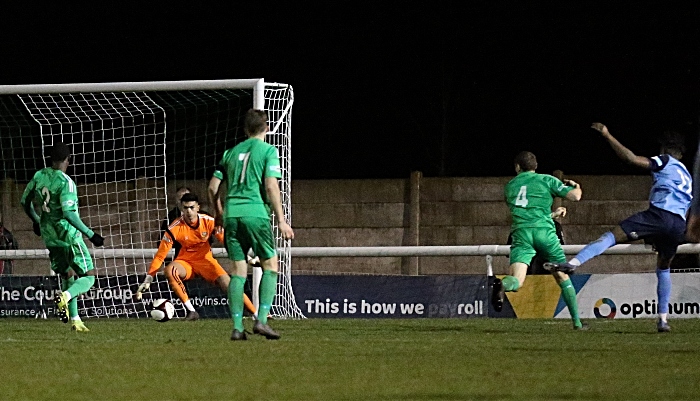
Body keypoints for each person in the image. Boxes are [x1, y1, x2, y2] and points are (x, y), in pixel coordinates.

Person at [544, 123, 692, 333]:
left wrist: (607, 135)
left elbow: (631, 159)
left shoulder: (666, 161)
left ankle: (573, 263)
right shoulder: (687, 174)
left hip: (658, 215)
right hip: (678, 223)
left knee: (611, 236)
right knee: (663, 267)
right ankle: (663, 319)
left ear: (665, 150)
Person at [208, 108, 294, 341]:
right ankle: (262, 321)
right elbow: (270, 187)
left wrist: (218, 213)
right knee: (270, 265)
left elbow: (213, 188)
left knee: (238, 273)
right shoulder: (268, 151)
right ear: (266, 128)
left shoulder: (230, 153)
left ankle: (237, 327)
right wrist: (282, 221)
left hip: (231, 216)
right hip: (256, 214)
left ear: (245, 129)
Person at [494, 151, 586, 330]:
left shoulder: (510, 186)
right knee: (562, 276)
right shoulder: (546, 180)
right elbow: (576, 196)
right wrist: (576, 186)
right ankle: (577, 323)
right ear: (535, 167)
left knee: (517, 280)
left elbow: (527, 212)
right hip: (545, 234)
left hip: (521, 234)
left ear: (517, 167)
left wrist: (551, 214)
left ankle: (502, 284)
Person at [20, 142, 105, 332]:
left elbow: (24, 201)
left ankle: (75, 319)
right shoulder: (66, 183)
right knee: (89, 277)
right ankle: (65, 297)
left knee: (67, 273)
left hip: (50, 237)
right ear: (68, 159)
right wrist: (91, 234)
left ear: (51, 159)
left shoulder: (40, 175)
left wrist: (36, 220)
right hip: (68, 236)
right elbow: (68, 213)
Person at [135, 193, 258, 320]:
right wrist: (149, 278)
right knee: (170, 271)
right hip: (185, 263)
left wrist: (247, 258)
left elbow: (227, 242)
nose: (189, 211)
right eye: (186, 208)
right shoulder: (173, 228)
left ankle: (256, 314)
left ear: (198, 207)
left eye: (192, 207)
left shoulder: (209, 221)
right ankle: (192, 311)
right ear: (181, 209)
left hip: (206, 262)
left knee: (230, 285)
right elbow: (160, 255)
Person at [160, 186, 190, 259]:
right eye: (181, 199)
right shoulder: (170, 218)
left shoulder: (201, 217)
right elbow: (162, 240)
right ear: (177, 201)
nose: (184, 202)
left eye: (187, 199)